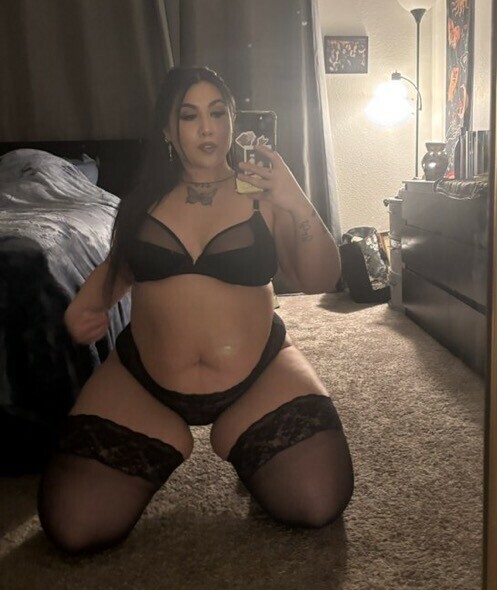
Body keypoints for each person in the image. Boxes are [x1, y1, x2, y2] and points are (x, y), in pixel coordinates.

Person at [37, 66, 354, 555]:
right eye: (189, 116)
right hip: (144, 380)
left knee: (318, 499)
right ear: (168, 129)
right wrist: (88, 303)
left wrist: (295, 200)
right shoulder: (143, 201)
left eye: (217, 113)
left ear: (232, 119)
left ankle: (248, 450)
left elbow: (321, 279)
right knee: (72, 524)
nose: (207, 128)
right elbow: (122, 266)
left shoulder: (264, 194)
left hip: (259, 374)